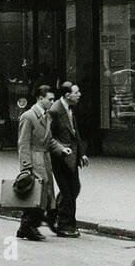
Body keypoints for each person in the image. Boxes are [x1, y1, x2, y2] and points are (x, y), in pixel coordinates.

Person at [15, 83, 71, 242]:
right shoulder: (28, 116)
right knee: (39, 193)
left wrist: (61, 149)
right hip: (34, 158)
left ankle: (27, 226)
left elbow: (49, 140)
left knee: (42, 193)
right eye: (50, 99)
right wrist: (26, 166)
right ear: (40, 98)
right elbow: (23, 143)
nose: (53, 102)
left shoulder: (46, 116)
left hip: (44, 158)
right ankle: (29, 226)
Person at [48, 81, 88, 237]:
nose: (79, 95)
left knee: (74, 188)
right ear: (67, 95)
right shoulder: (55, 110)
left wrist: (82, 154)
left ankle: (55, 214)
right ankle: (65, 226)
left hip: (72, 156)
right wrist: (61, 149)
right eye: (76, 92)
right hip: (60, 157)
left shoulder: (69, 108)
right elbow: (49, 137)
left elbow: (74, 133)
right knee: (68, 191)